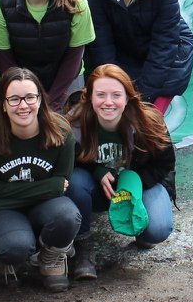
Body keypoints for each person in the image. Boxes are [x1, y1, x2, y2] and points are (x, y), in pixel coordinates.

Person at [0, 69, 82, 291]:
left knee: (67, 216)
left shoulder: (61, 132)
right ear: (3, 104)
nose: (23, 106)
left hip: (40, 206)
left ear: (40, 100)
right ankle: (7, 259)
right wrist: (48, 187)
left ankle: (51, 256)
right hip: (4, 213)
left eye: (30, 97)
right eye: (14, 99)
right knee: (15, 248)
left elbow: (60, 185)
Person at [67, 64, 178, 273]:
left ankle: (142, 230)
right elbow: (69, 163)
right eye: (100, 95)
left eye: (116, 95)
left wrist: (134, 181)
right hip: (98, 188)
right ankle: (83, 245)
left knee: (157, 230)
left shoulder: (149, 122)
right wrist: (97, 170)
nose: (108, 102)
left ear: (127, 97)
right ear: (89, 97)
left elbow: (165, 164)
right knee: (75, 182)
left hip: (139, 184)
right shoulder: (75, 124)